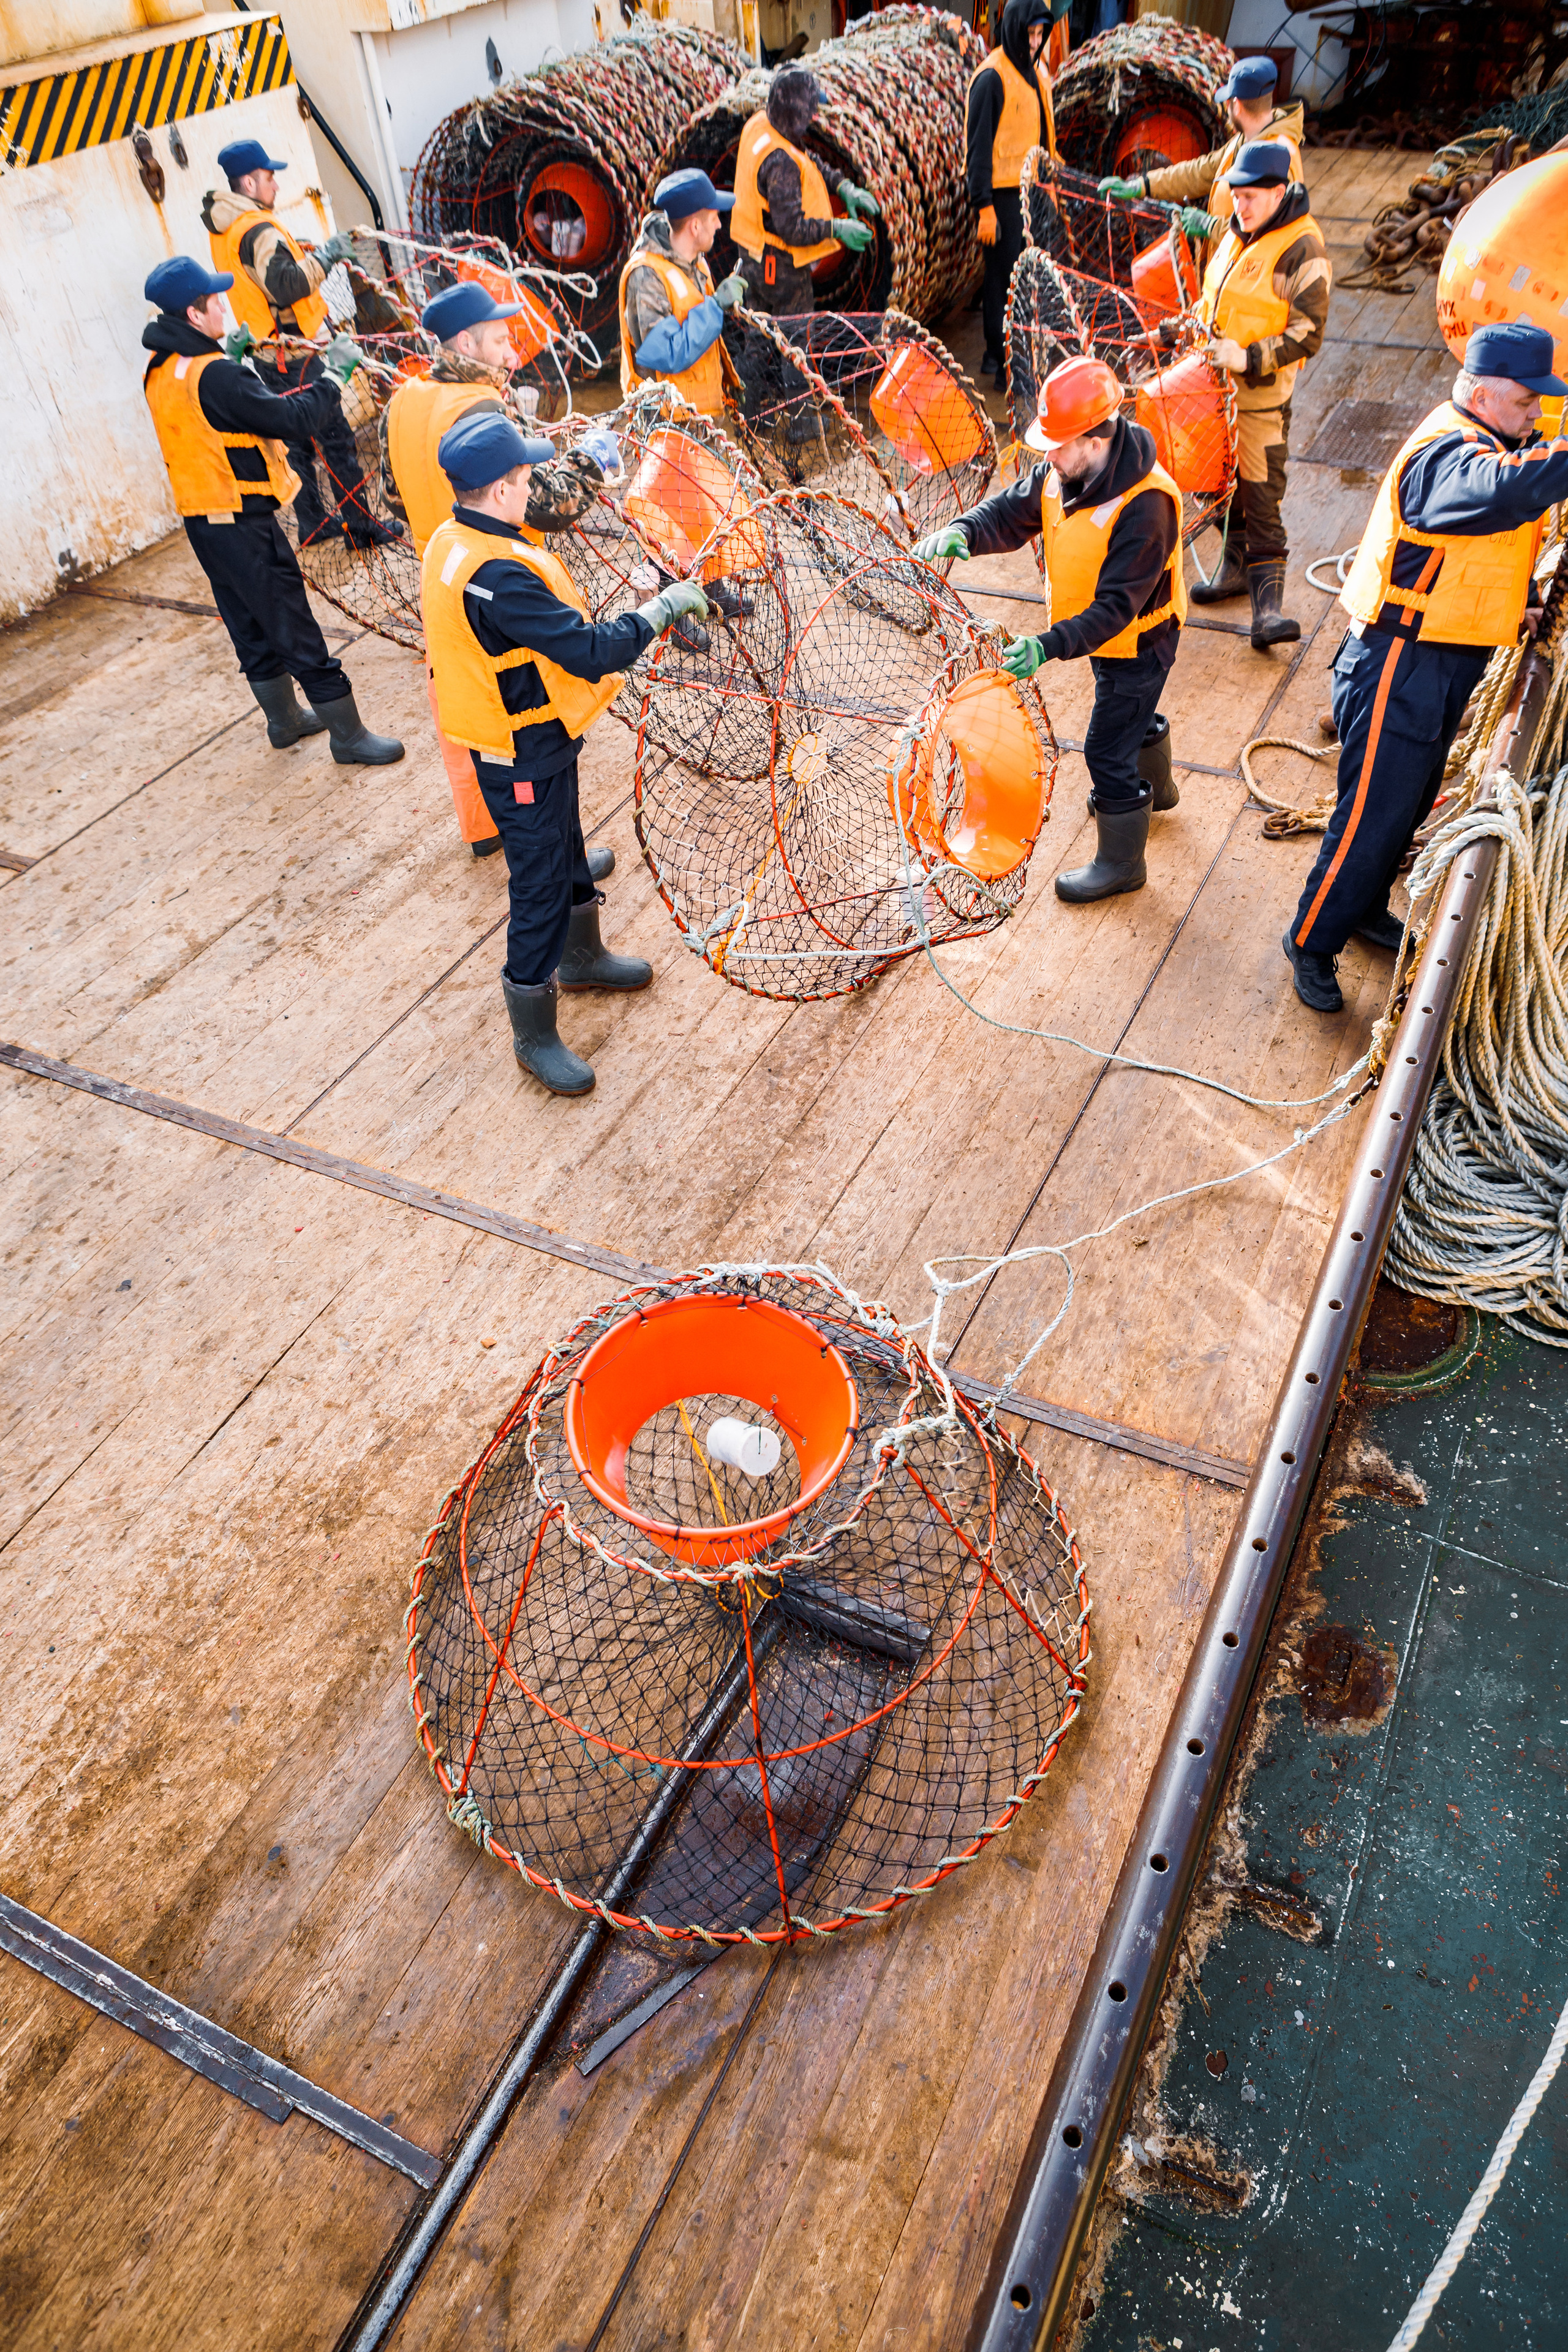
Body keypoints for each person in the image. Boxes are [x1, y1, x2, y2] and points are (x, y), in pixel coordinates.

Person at [423, 409, 709, 1096]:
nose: (532, 490)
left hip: (534, 733)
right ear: (498, 492)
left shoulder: (453, 536)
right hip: (515, 748)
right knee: (540, 880)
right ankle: (533, 1025)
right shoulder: (498, 577)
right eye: (524, 479)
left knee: (566, 840)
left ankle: (582, 956)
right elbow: (588, 652)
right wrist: (659, 610)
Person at [1284, 323, 1568, 1013]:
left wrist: (1523, 607)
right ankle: (1312, 940)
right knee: (1369, 817)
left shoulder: (1500, 441)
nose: (1536, 415)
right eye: (1527, 402)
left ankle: (1363, 908)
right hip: (1396, 664)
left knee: (1406, 805)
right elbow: (1498, 495)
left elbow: (1486, 549)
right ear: (1479, 392)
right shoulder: (1447, 453)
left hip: (1445, 661)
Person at [913, 355, 1185, 904]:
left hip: (1140, 642)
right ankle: (1156, 792)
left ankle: (1121, 862)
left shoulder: (1146, 507)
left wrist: (1047, 645)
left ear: (1098, 435)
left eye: (1059, 444)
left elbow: (1115, 610)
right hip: (1104, 639)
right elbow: (1011, 512)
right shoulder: (1066, 470)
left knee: (1105, 748)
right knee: (1129, 711)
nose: (1048, 455)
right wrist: (964, 530)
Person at [383, 278, 617, 864]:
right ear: (465, 342)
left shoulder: (405, 399)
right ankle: (550, 855)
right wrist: (592, 462)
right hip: (500, 584)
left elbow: (390, 497)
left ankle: (486, 829)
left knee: (462, 706)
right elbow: (550, 503)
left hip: (440, 577)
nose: (514, 355)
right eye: (500, 342)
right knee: (524, 722)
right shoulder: (480, 408)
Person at [140, 255, 402, 764]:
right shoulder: (214, 375)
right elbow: (290, 417)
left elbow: (214, 419)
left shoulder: (162, 369)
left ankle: (283, 721)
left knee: (247, 623)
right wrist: (336, 375)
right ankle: (348, 736)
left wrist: (234, 360)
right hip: (244, 528)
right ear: (195, 317)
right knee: (294, 625)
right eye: (217, 302)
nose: (226, 308)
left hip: (203, 524)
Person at [203, 135, 399, 549]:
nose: (276, 186)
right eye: (269, 178)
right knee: (336, 441)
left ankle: (312, 521)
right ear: (250, 184)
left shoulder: (225, 229)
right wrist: (326, 255)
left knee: (297, 443)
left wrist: (301, 254)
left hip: (266, 355)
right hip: (298, 353)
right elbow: (286, 285)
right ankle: (362, 528)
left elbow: (258, 280)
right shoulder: (259, 228)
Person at [1188, 140, 1329, 649]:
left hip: (1260, 402)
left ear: (1280, 192)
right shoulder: (1236, 234)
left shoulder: (1302, 248)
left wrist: (1247, 358)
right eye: (1236, 196)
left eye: (1250, 197)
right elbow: (1214, 305)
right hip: (1213, 397)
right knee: (1224, 493)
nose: (1239, 207)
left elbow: (1308, 332)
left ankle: (1268, 612)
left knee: (1262, 497)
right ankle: (1231, 571)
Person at [1098, 55, 1303, 260]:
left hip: (1250, 280)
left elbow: (1272, 233)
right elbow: (1200, 172)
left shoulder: (1280, 156)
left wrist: (1210, 226)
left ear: (1237, 105)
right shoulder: (1244, 141)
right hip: (1225, 270)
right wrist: (1144, 185)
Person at [729, 66, 878, 318]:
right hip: (777, 266)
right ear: (796, 115)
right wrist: (837, 229)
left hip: (749, 251)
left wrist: (842, 186)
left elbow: (807, 160)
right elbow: (792, 229)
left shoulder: (761, 124)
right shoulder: (781, 164)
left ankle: (752, 358)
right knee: (794, 336)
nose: (813, 117)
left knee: (757, 328)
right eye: (809, 112)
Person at [967, 0, 1057, 389]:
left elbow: (1042, 134)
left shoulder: (1037, 72)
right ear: (1014, 30)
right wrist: (983, 207)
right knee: (1002, 279)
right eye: (1030, 34)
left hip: (1032, 191)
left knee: (1028, 279)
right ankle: (999, 356)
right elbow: (978, 149)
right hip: (1002, 199)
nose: (1035, 43)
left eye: (1040, 35)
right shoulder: (992, 78)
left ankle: (1017, 348)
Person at [619, 167, 746, 414]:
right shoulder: (646, 276)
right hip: (668, 423)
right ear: (695, 227)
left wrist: (728, 381)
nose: (720, 225)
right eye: (714, 218)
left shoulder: (697, 262)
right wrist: (717, 305)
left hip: (699, 417)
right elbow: (666, 354)